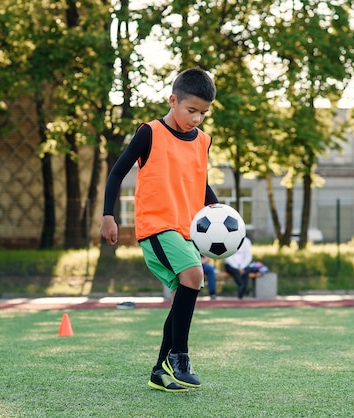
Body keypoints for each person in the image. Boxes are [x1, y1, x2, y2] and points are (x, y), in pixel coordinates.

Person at [100, 68, 218, 393]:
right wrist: (108, 215)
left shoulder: (203, 142)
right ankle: (180, 357)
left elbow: (200, 182)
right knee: (194, 275)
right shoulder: (150, 133)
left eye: (203, 113)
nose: (196, 119)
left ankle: (160, 370)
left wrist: (220, 213)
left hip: (185, 230)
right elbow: (116, 173)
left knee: (184, 293)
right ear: (173, 100)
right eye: (191, 110)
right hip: (156, 226)